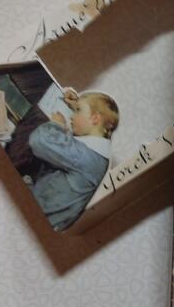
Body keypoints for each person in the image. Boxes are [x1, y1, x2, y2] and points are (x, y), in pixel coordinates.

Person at [28, 90, 119, 231]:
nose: (71, 116)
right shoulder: (99, 156)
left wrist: (57, 125)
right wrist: (78, 104)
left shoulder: (84, 157)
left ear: (95, 118)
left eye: (77, 111)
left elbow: (39, 140)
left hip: (36, 216)